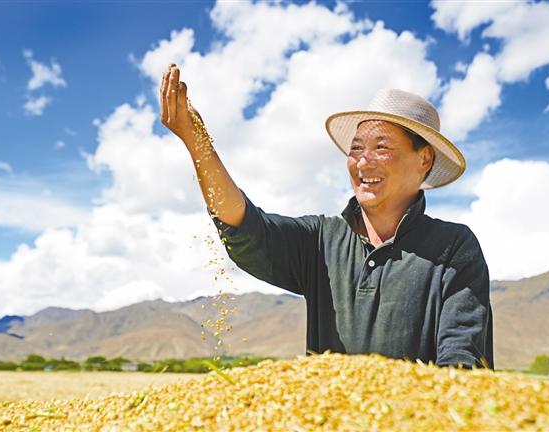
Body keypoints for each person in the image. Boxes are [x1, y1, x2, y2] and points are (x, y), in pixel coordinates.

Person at [159, 63, 494, 370]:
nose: (363, 161)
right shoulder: (322, 239)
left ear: (424, 159)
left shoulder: (453, 247)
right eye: (356, 148)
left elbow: (462, 366)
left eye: (381, 147)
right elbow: (244, 225)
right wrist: (195, 140)